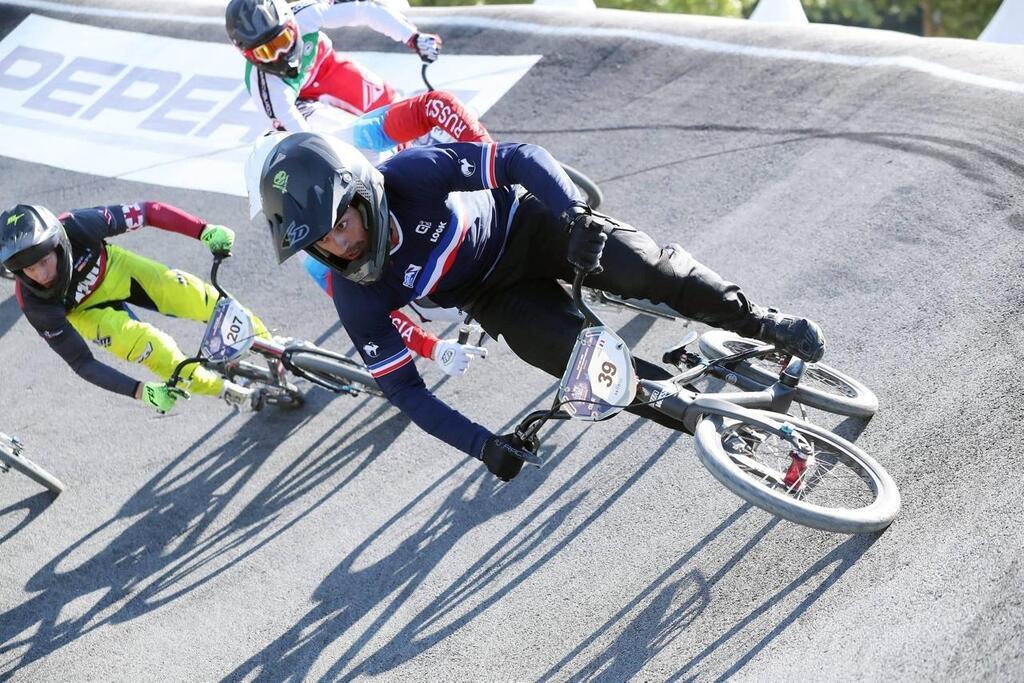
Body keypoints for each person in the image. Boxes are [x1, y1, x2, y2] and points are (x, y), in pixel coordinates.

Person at [253, 133, 827, 482]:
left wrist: (576, 217)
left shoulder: (409, 176)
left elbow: (518, 158)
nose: (341, 245)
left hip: (527, 226)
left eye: (341, 223)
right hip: (495, 296)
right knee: (592, 373)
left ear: (359, 192)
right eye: (321, 241)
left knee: (649, 269)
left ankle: (764, 324)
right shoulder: (356, 294)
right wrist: (480, 445)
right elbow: (405, 392)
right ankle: (709, 418)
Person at [0, 202, 273, 414]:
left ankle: (270, 345)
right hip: (87, 313)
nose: (41, 274)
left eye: (44, 261)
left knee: (201, 299)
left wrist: (203, 231)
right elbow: (81, 362)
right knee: (158, 350)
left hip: (116, 270)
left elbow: (147, 212)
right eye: (29, 269)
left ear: (58, 244)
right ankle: (225, 390)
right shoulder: (33, 302)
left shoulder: (79, 225)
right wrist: (141, 391)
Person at [225, 0, 485, 150]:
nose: (281, 54)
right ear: (248, 55)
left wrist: (412, 37)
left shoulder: (306, 13)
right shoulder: (266, 90)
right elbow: (303, 138)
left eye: (283, 39)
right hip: (299, 104)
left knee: (386, 101)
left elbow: (363, 10)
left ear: (291, 23)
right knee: (349, 138)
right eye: (267, 51)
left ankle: (422, 135)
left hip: (325, 67)